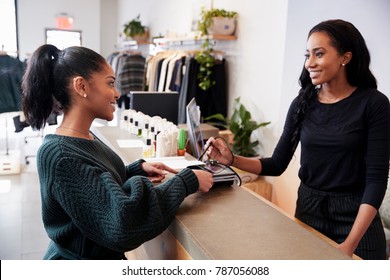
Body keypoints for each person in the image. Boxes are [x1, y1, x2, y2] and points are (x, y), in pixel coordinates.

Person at [207, 19, 389, 260]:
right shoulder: (303, 103)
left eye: (319, 54)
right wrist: (231, 159)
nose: (309, 63)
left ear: (345, 57)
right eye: (308, 54)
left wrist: (348, 245)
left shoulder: (374, 104)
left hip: (357, 224)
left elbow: (376, 181)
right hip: (309, 212)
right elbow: (277, 163)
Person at [22, 44, 213, 260]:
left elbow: (94, 182)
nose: (117, 93)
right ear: (81, 86)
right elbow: (122, 224)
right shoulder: (61, 155)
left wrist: (135, 170)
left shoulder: (83, 137)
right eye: (110, 83)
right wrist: (186, 182)